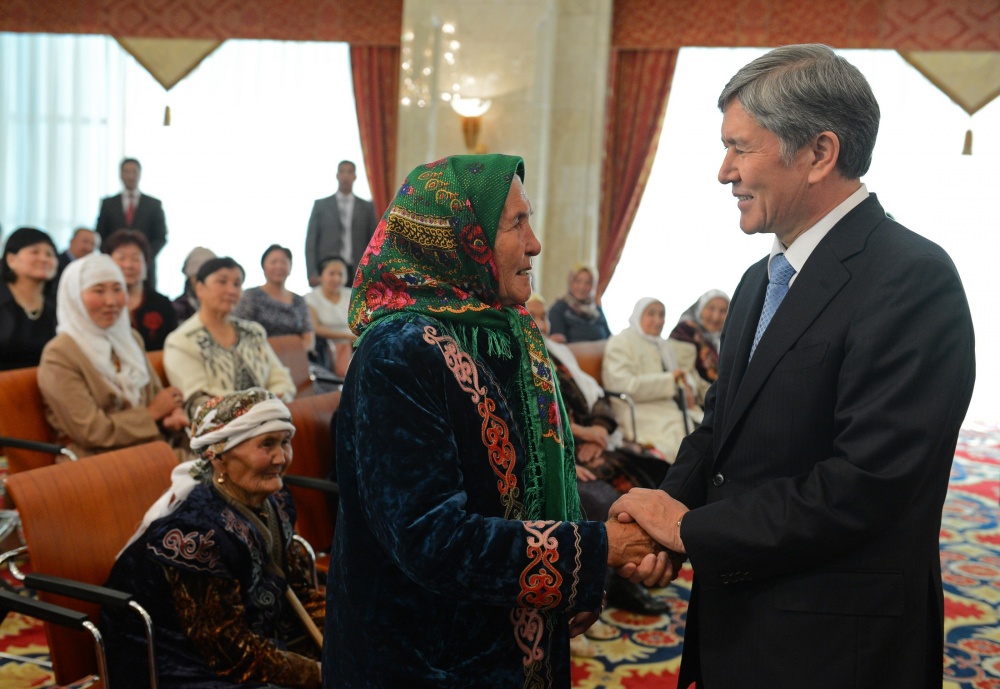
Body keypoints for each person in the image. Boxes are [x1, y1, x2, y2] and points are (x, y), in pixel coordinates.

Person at [611, 44, 976, 689]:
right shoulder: (760, 279)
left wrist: (691, 531)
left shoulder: (913, 279)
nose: (723, 171)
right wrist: (667, 509)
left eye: (739, 147)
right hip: (738, 622)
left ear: (819, 153)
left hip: (834, 647)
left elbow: (867, 484)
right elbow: (722, 426)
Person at [324, 154, 666, 688]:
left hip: (514, 641)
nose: (535, 244)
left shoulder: (507, 332)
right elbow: (431, 538)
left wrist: (573, 582)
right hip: (428, 658)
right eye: (516, 224)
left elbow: (537, 485)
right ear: (459, 239)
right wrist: (596, 553)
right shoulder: (396, 352)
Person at [103, 388, 325, 689]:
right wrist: (317, 673)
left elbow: (296, 589)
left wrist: (346, 633)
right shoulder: (196, 535)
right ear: (218, 458)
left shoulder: (275, 500)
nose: (281, 458)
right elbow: (229, 652)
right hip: (173, 658)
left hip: (252, 636)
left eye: (285, 442)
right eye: (267, 444)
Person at [527, 294, 670, 620]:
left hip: (585, 445)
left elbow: (597, 396)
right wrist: (574, 447)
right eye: (532, 315)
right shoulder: (519, 357)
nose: (540, 325)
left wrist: (599, 429)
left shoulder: (557, 353)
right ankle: (616, 582)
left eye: (543, 317)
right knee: (605, 496)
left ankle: (643, 565)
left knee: (653, 472)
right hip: (558, 453)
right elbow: (534, 422)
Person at [37, 254, 188, 459]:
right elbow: (92, 432)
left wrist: (172, 414)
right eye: (98, 291)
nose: (111, 301)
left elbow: (157, 397)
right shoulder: (60, 354)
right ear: (74, 298)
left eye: (118, 289)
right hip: (98, 461)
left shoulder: (130, 338)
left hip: (150, 448)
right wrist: (151, 414)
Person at [163, 256, 296, 417]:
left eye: (237, 284)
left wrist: (275, 399)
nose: (231, 290)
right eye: (222, 282)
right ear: (199, 288)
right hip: (219, 428)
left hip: (271, 418)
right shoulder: (181, 341)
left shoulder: (253, 331)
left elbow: (280, 377)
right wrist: (259, 404)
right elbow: (198, 398)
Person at [601, 297, 707, 462]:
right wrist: (670, 381)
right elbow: (622, 385)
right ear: (638, 315)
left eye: (661, 315)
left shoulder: (661, 344)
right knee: (686, 442)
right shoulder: (621, 342)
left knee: (708, 431)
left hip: (668, 408)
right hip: (640, 412)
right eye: (651, 314)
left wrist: (686, 387)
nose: (658, 320)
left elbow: (680, 374)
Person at [96, 157, 168, 288]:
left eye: (134, 172)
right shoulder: (108, 204)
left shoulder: (153, 204)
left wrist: (143, 257)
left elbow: (161, 237)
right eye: (126, 172)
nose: (130, 176)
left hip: (146, 269)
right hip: (114, 266)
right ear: (120, 175)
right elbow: (100, 234)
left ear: (140, 174)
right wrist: (113, 257)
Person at [304, 160, 378, 286]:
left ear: (355, 176)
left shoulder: (367, 207)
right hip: (327, 269)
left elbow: (374, 242)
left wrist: (373, 272)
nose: (345, 176)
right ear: (337, 175)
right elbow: (311, 241)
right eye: (342, 171)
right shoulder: (321, 206)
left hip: (358, 270)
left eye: (349, 172)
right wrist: (312, 273)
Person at [104, 229, 178, 351]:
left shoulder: (162, 304)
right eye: (121, 258)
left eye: (135, 259)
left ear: (146, 264)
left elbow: (173, 349)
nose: (128, 265)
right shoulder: (99, 303)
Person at [233, 244, 314, 351]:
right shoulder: (251, 295)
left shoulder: (299, 300)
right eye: (273, 262)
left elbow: (309, 338)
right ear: (264, 267)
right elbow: (240, 331)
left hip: (297, 355)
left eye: (283, 262)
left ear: (290, 268)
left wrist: (294, 351)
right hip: (259, 354)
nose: (278, 266)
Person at [0, 227, 58, 370]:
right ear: (11, 259)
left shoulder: (58, 304)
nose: (44, 259)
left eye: (49, 254)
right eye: (35, 252)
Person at [303, 254, 355, 375]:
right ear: (320, 276)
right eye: (331, 273)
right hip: (325, 346)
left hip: (354, 342)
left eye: (340, 274)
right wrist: (347, 336)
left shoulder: (352, 295)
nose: (336, 278)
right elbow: (315, 328)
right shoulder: (310, 298)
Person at [669, 289, 730, 383]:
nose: (716, 317)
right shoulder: (685, 332)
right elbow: (684, 374)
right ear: (700, 308)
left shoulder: (729, 339)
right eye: (711, 308)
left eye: (723, 311)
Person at [547, 263, 612, 343]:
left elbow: (610, 339)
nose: (582, 287)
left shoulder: (597, 311)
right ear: (571, 282)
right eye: (578, 281)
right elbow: (557, 343)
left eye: (588, 283)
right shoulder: (559, 309)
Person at [172, 246, 216, 322]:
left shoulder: (225, 306)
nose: (203, 282)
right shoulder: (177, 308)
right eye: (197, 277)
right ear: (189, 277)